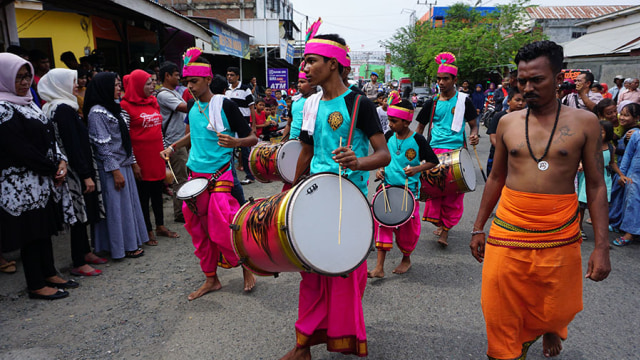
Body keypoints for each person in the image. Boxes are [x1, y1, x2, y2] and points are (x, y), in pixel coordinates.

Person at [469, 40, 611, 360]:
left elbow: (597, 185)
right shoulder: (508, 122)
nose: (528, 87)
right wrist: (479, 226)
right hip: (508, 226)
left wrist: (601, 246)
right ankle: (505, 352)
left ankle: (547, 328)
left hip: (559, 229)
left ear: (558, 78)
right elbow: (495, 178)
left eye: (538, 80)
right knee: (497, 306)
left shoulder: (585, 123)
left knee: (556, 306)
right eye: (522, 80)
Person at [281, 27, 390, 359]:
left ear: (332, 64)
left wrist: (358, 162)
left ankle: (341, 334)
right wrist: (289, 186)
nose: (304, 68)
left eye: (311, 61)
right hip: (315, 198)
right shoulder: (310, 104)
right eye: (303, 62)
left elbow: (383, 154)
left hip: (348, 203)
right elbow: (307, 150)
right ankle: (303, 346)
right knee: (311, 275)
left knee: (342, 276)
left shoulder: (360, 104)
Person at [160, 50, 258, 300]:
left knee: (223, 228)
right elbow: (195, 134)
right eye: (186, 82)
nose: (189, 87)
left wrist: (236, 143)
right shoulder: (192, 105)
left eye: (193, 82)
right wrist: (173, 147)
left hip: (220, 176)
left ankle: (247, 267)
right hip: (195, 176)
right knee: (198, 231)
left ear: (207, 80)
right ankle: (211, 279)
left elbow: (252, 137)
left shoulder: (225, 104)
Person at [0, 53, 78, 299]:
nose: (24, 83)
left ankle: (49, 273)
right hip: (21, 186)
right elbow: (18, 148)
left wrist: (61, 160)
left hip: (43, 180)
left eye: (27, 76)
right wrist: (52, 166)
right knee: (30, 233)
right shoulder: (2, 108)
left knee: (43, 229)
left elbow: (48, 135)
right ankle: (36, 284)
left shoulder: (27, 102)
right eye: (18, 78)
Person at [39, 68, 106, 276]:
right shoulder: (63, 109)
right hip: (74, 171)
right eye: (73, 81)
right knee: (78, 214)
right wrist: (86, 175)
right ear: (60, 84)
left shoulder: (52, 106)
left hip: (71, 168)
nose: (77, 84)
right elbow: (72, 144)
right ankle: (79, 261)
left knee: (82, 211)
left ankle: (85, 252)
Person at [368, 97, 438, 278]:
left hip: (409, 191)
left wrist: (416, 169)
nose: (389, 124)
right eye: (389, 120)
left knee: (408, 231)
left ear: (407, 121)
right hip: (387, 189)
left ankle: (406, 258)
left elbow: (433, 161)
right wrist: (380, 169)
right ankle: (379, 267)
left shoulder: (419, 140)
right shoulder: (389, 136)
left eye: (394, 121)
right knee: (382, 223)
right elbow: (381, 156)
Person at [415, 52, 479, 247]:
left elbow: (473, 124)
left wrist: (475, 133)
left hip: (456, 152)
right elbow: (419, 128)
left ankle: (445, 229)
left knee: (453, 193)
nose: (441, 82)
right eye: (439, 79)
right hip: (434, 152)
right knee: (434, 191)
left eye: (445, 79)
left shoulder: (463, 101)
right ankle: (441, 224)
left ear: (454, 80)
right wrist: (418, 150)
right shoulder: (431, 102)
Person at [86, 72, 147, 260]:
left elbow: (125, 140)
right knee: (116, 209)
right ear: (104, 88)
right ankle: (121, 247)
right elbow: (103, 147)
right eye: (115, 85)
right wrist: (115, 171)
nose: (118, 88)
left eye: (119, 84)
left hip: (124, 165)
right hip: (112, 169)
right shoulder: (97, 113)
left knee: (127, 207)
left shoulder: (114, 108)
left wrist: (133, 163)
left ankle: (129, 242)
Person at [121, 69, 178, 244]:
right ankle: (147, 229)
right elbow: (125, 138)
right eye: (147, 83)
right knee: (143, 196)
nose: (152, 86)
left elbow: (158, 130)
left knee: (157, 193)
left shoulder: (153, 102)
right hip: (140, 158)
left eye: (151, 82)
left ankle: (160, 226)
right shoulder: (125, 106)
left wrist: (164, 152)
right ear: (137, 85)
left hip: (156, 156)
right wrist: (134, 162)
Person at [156, 62, 189, 223]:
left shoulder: (174, 92)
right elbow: (184, 108)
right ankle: (180, 212)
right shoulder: (164, 95)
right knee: (180, 179)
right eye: (176, 75)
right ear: (167, 76)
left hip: (180, 142)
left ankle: (185, 209)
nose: (179, 78)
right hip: (173, 143)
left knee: (184, 176)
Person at [576, 121, 620, 239]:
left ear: (609, 133)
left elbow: (612, 163)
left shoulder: (611, 148)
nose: (599, 134)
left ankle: (600, 234)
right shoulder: (589, 145)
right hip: (587, 177)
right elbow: (580, 158)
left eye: (602, 132)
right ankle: (579, 228)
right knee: (582, 206)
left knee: (600, 207)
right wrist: (580, 164)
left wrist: (621, 174)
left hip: (604, 178)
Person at [609, 102, 640, 237]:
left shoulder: (633, 134)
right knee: (619, 197)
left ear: (636, 118)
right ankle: (617, 223)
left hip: (625, 171)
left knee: (626, 198)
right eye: (622, 114)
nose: (622, 117)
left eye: (627, 115)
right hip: (622, 169)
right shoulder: (627, 131)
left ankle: (625, 228)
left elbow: (628, 155)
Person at [225, 66, 256, 185]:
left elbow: (252, 107)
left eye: (232, 75)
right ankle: (230, 177)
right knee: (230, 151)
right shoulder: (226, 90)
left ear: (237, 76)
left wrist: (253, 126)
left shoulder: (245, 89)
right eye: (228, 75)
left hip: (243, 125)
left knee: (245, 151)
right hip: (230, 125)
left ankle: (250, 175)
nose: (229, 77)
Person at [485, 87, 526, 176]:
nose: (520, 103)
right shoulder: (499, 117)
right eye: (517, 100)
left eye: (523, 101)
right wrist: (505, 150)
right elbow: (493, 137)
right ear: (508, 101)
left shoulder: (527, 118)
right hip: (498, 155)